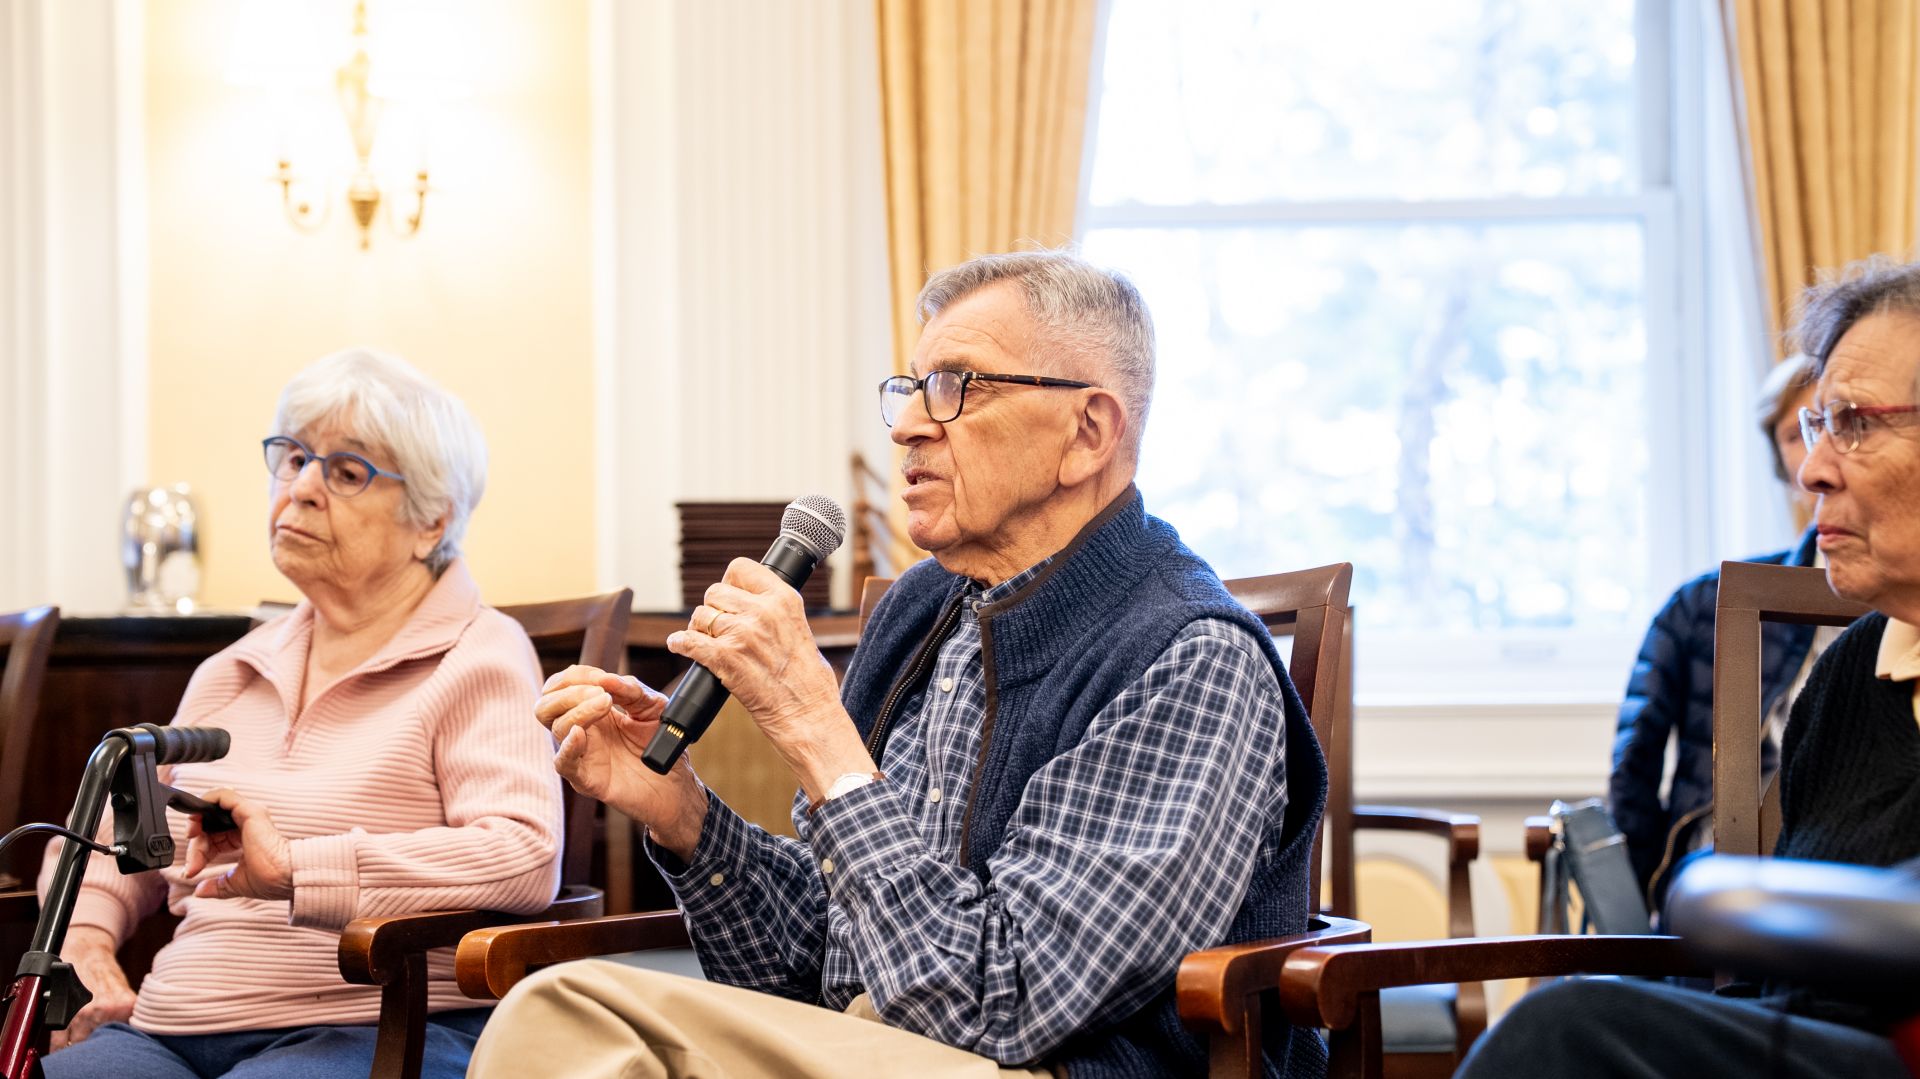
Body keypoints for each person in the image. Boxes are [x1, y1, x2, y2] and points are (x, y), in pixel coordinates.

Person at [469, 251, 1328, 1078]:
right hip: (881, 1047)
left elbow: (1007, 1004)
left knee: (569, 1015)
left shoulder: (1192, 657)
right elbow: (825, 960)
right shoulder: (925, 610)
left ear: (1088, 431)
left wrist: (816, 728)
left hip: (1046, 1064)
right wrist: (685, 815)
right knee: (570, 1018)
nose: (911, 422)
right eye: (911, 387)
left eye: (957, 386)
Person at [38, 349, 566, 1079]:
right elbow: (106, 840)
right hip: (170, 1024)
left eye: (347, 472)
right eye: (292, 458)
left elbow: (522, 854)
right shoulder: (232, 669)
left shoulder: (479, 654)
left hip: (375, 1026)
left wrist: (296, 868)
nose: (303, 487)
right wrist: (87, 943)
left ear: (431, 520)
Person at [1456, 256, 1920, 1079]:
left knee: (1567, 1032)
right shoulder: (1851, 673)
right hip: (1804, 1037)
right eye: (1816, 425)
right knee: (1569, 1022)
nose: (1813, 468)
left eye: (1854, 423)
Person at [1608, 354, 1827, 910]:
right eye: (1797, 434)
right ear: (1781, 466)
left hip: (1852, 859)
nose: (1820, 454)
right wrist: (1642, 904)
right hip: (1720, 861)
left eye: (1834, 422)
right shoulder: (1702, 603)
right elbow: (1634, 764)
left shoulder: (1899, 599)